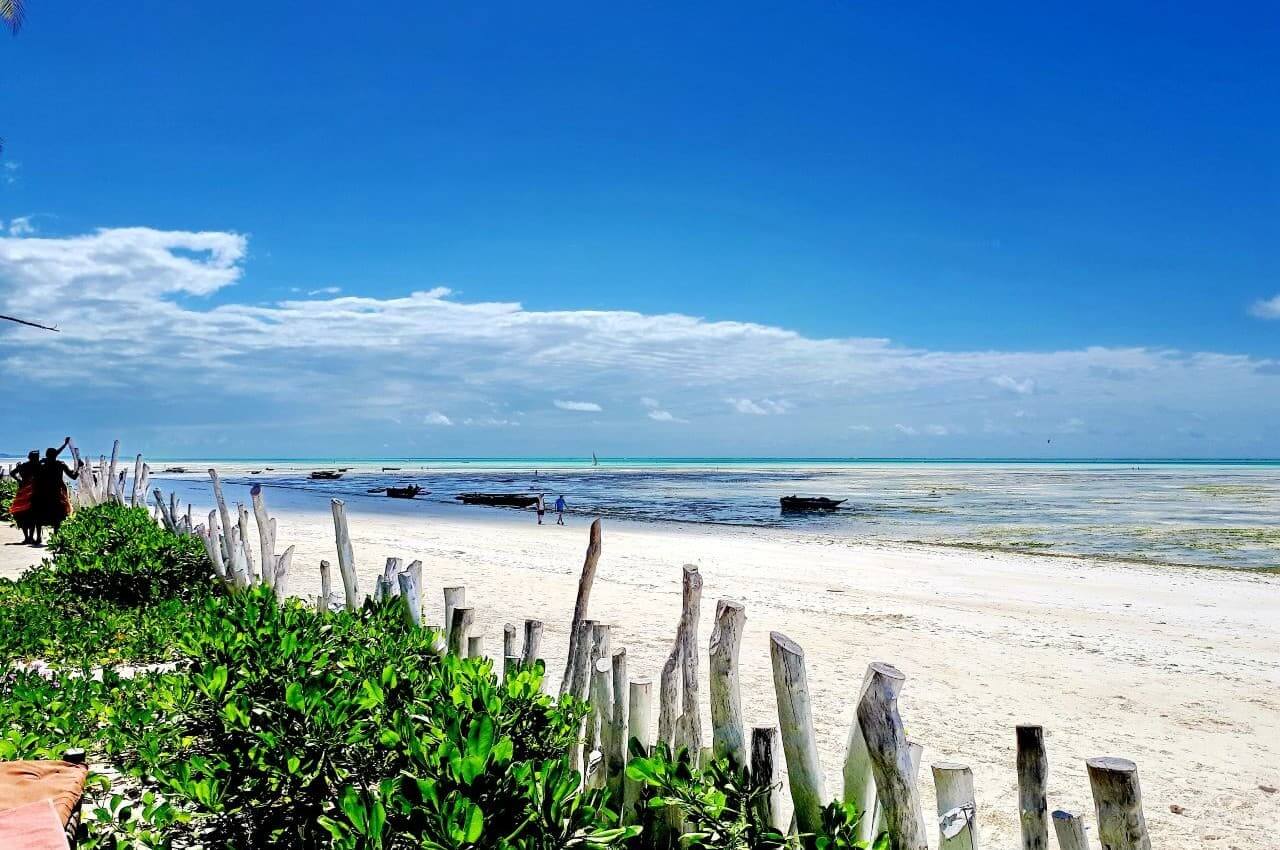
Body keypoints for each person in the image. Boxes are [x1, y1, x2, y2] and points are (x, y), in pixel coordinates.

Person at [32, 438, 77, 543]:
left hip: (42, 492)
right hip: (57, 492)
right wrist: (78, 467)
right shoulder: (60, 464)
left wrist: (65, 445)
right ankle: (55, 538)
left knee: (39, 514)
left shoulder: (42, 465)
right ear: (56, 455)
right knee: (57, 516)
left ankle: (38, 537)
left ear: (46, 455)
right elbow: (73, 477)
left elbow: (36, 477)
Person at [8, 450, 40, 544]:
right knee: (32, 515)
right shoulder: (38, 466)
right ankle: (30, 537)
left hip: (23, 492)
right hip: (34, 492)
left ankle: (27, 537)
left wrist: (19, 480)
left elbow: (12, 473)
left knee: (23, 514)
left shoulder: (23, 466)